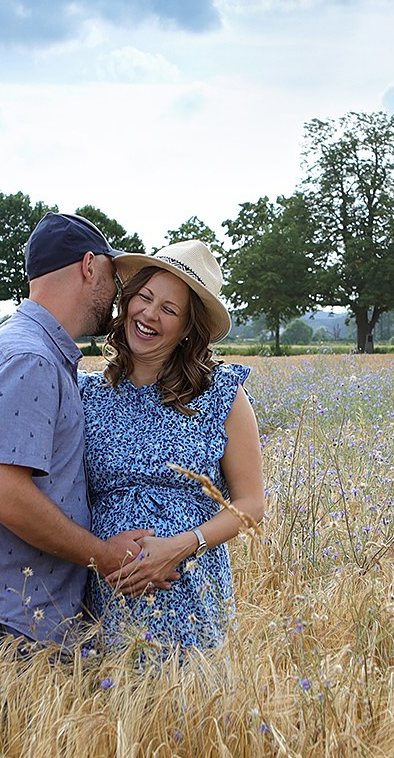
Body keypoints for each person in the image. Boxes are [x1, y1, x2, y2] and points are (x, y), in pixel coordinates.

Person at [0, 212, 151, 670]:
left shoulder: (18, 347)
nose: (117, 294)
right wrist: (102, 556)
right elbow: (4, 494)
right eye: (112, 274)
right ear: (88, 266)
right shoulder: (30, 358)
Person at [83, 239, 267, 654]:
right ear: (126, 302)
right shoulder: (85, 394)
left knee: (192, 715)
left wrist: (181, 546)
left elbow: (251, 505)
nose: (149, 314)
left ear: (187, 329)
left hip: (191, 593)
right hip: (108, 593)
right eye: (144, 298)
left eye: (169, 309)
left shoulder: (223, 394)